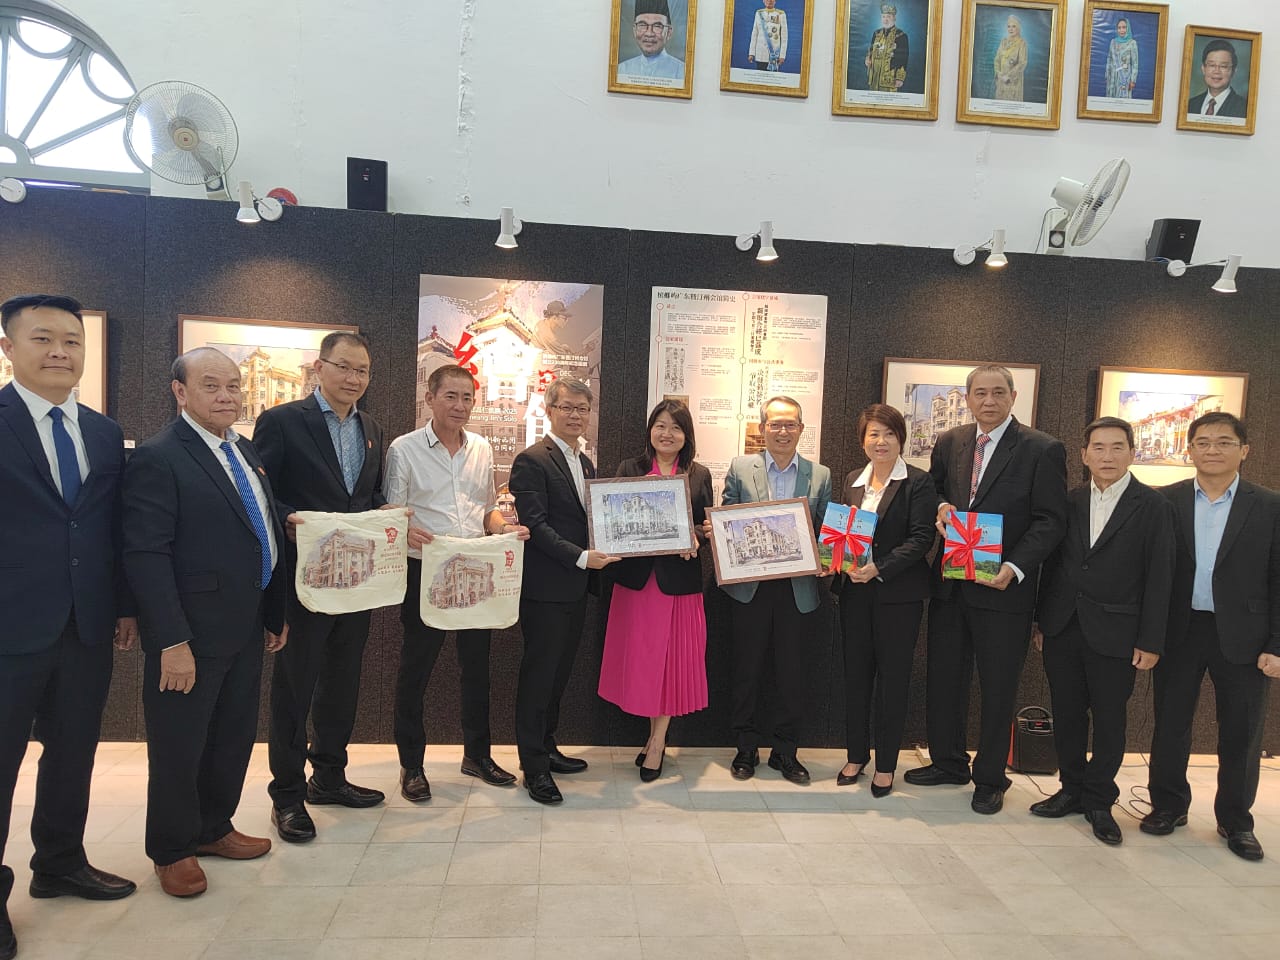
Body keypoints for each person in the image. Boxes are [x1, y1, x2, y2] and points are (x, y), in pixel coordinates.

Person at [0, 294, 137, 960]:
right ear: (8, 348)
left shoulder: (104, 433)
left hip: (86, 623)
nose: (60, 352)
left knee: (73, 750)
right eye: (43, 339)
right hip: (8, 626)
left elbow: (111, 528)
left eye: (71, 341)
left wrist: (124, 605)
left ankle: (59, 861)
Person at [123, 347, 288, 898]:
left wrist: (274, 611)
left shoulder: (242, 448)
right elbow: (146, 553)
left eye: (233, 386)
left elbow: (260, 531)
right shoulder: (160, 456)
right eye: (211, 385)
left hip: (245, 624)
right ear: (180, 392)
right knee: (179, 745)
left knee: (232, 736)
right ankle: (172, 849)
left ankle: (213, 827)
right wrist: (170, 639)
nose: (226, 396)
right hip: (189, 634)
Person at [905, 365, 1067, 815]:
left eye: (998, 392)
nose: (989, 400)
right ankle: (948, 762)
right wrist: (940, 506)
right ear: (968, 398)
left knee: (998, 687)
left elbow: (1051, 520)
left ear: (1013, 397)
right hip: (952, 584)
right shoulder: (950, 441)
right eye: (980, 393)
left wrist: (1015, 567)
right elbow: (936, 488)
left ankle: (991, 777)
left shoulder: (1042, 449)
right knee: (945, 679)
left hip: (1004, 590)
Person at [255, 331, 387, 845]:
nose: (354, 378)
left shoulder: (371, 428)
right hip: (303, 580)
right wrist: (290, 518)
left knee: (342, 681)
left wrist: (389, 516)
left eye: (363, 371)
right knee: (295, 686)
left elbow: (367, 497)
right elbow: (263, 493)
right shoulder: (283, 421)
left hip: (356, 580)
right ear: (320, 367)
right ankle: (287, 795)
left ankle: (329, 776)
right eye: (344, 367)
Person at [383, 364, 530, 802]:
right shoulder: (404, 449)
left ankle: (477, 755)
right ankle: (411, 765)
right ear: (430, 398)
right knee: (416, 670)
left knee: (476, 669)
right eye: (451, 396)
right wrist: (404, 530)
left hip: (474, 567)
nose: (460, 405)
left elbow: (486, 510)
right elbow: (392, 513)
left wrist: (505, 529)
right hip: (425, 570)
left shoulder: (481, 448)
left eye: (467, 397)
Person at [1142, 413, 1280, 861]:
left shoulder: (1270, 506)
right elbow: (1151, 573)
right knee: (1171, 724)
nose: (1212, 450)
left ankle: (1236, 821)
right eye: (1202, 442)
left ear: (1245, 450)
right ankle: (1168, 806)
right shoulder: (1166, 501)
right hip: (1180, 629)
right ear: (1190, 450)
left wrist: (1277, 644)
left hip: (1244, 635)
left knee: (1242, 731)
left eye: (1224, 442)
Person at [1032, 417, 1174, 845]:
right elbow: (1052, 566)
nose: (1107, 456)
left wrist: (1150, 640)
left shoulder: (1152, 506)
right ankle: (1071, 789)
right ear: (1084, 455)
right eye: (1098, 447)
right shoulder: (1071, 500)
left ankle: (1099, 800)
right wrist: (1041, 621)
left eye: (1116, 447)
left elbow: (1160, 576)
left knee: (1110, 720)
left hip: (1118, 631)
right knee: (1067, 714)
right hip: (1063, 626)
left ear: (1132, 453)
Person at [510, 377, 617, 804]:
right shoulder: (532, 459)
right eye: (567, 407)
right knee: (538, 677)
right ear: (549, 410)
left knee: (557, 676)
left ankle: (547, 746)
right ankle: (533, 767)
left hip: (574, 588)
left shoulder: (585, 462)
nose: (575, 415)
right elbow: (535, 525)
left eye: (582, 408)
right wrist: (581, 557)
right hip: (545, 589)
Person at [599, 400, 713, 781]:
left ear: (686, 435)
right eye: (660, 426)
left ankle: (658, 742)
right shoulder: (629, 469)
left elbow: (705, 527)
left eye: (676, 428)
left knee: (670, 664)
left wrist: (695, 538)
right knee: (647, 663)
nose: (667, 434)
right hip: (636, 582)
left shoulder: (699, 474)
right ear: (650, 430)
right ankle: (653, 739)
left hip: (678, 584)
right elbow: (613, 519)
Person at [721, 396, 832, 785]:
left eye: (790, 425)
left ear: (801, 429)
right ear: (762, 428)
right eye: (775, 424)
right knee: (746, 670)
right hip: (750, 588)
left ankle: (786, 751)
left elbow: (826, 530)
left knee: (792, 674)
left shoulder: (820, 475)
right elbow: (726, 517)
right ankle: (745, 747)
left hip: (797, 590)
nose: (783, 431)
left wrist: (827, 556)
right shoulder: (740, 468)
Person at [830, 404, 935, 797]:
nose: (881, 441)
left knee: (893, 680)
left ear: (900, 439)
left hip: (898, 597)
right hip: (855, 593)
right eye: (873, 434)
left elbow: (921, 539)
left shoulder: (917, 482)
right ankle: (856, 755)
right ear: (863, 441)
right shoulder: (852, 481)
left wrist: (879, 568)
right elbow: (842, 534)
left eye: (889, 433)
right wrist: (833, 561)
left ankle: (886, 764)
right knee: (856, 677)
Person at [617, 0, 685, 81]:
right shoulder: (621, 70)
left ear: (669, 32)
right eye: (642, 25)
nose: (649, 33)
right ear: (634, 30)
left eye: (657, 26)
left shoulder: (682, 72)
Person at [1186, 38, 1247, 118]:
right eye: (1212, 65)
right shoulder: (1190, 105)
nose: (1217, 71)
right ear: (1203, 69)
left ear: (1233, 71)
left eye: (1223, 66)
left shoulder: (1244, 108)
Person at [865, 4, 908, 92]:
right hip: (874, 77)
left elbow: (904, 58)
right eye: (883, 17)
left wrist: (899, 78)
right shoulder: (876, 33)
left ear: (894, 18)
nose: (885, 19)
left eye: (888, 16)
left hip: (890, 77)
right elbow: (871, 50)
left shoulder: (901, 36)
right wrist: (868, 58)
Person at [993, 14, 1028, 101]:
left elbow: (1022, 63)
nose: (1010, 29)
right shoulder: (1003, 41)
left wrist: (1008, 76)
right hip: (1001, 81)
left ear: (1018, 28)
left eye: (1013, 26)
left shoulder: (1022, 43)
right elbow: (997, 59)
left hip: (1013, 82)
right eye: (1008, 26)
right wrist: (999, 73)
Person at [748, 0, 788, 72]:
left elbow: (784, 37)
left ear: (775, 1)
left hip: (774, 54)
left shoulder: (781, 14)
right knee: (759, 76)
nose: (769, 1)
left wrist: (782, 55)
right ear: (763, 1)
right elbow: (754, 34)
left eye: (772, 0)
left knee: (773, 78)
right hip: (760, 53)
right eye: (767, 0)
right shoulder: (759, 13)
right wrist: (751, 53)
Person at [1104, 17, 1139, 99]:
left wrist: (1133, 80)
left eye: (1124, 27)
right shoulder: (1113, 42)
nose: (1121, 30)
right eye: (1119, 28)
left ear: (1128, 28)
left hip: (1124, 78)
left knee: (1123, 101)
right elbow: (1109, 59)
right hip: (1112, 77)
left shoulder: (1132, 43)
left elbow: (1135, 63)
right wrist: (1107, 75)